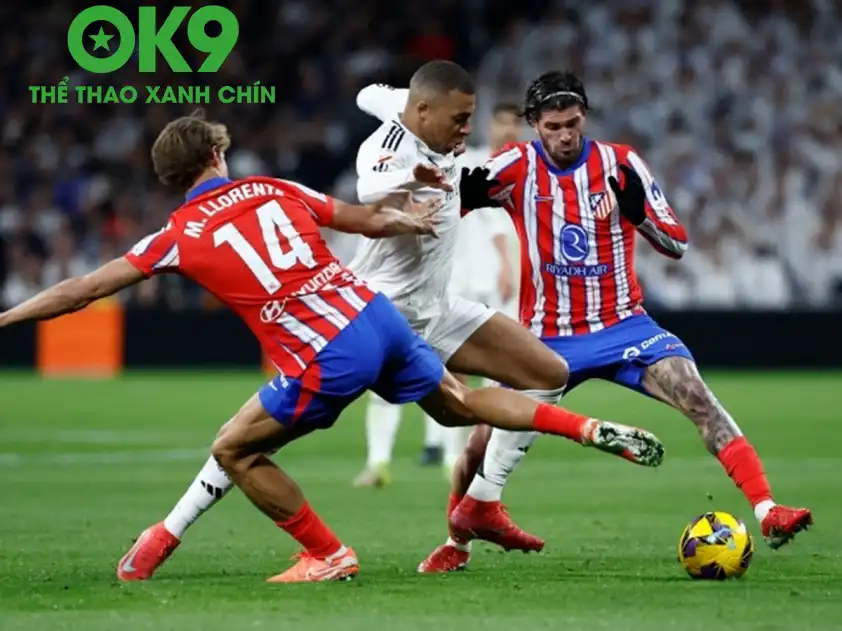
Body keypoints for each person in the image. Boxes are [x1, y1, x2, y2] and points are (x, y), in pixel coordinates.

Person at [111, 61, 665, 582]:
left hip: (437, 308)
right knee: (255, 440)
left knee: (547, 373)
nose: (466, 130)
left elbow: (370, 94)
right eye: (460, 119)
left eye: (469, 118)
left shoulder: (421, 113)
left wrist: (400, 110)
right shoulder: (386, 148)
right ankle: (169, 531)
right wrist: (412, 176)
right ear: (426, 113)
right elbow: (372, 188)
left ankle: (481, 504)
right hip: (377, 312)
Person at [418, 70, 813, 573]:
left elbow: (677, 242)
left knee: (697, 397)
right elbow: (438, 212)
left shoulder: (621, 163)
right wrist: (459, 199)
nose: (565, 135)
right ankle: (458, 542)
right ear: (535, 124)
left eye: (573, 123)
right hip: (546, 335)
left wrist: (638, 215)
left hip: (624, 326)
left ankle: (767, 509)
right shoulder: (515, 164)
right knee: (479, 441)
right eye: (553, 127)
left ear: (584, 116)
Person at [352, 101, 522, 486]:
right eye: (501, 122)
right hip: (442, 281)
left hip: (485, 282)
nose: (507, 130)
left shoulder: (516, 167)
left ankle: (465, 454)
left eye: (514, 124)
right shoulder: (463, 161)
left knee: (481, 372)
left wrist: (509, 266)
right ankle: (390, 459)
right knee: (417, 367)